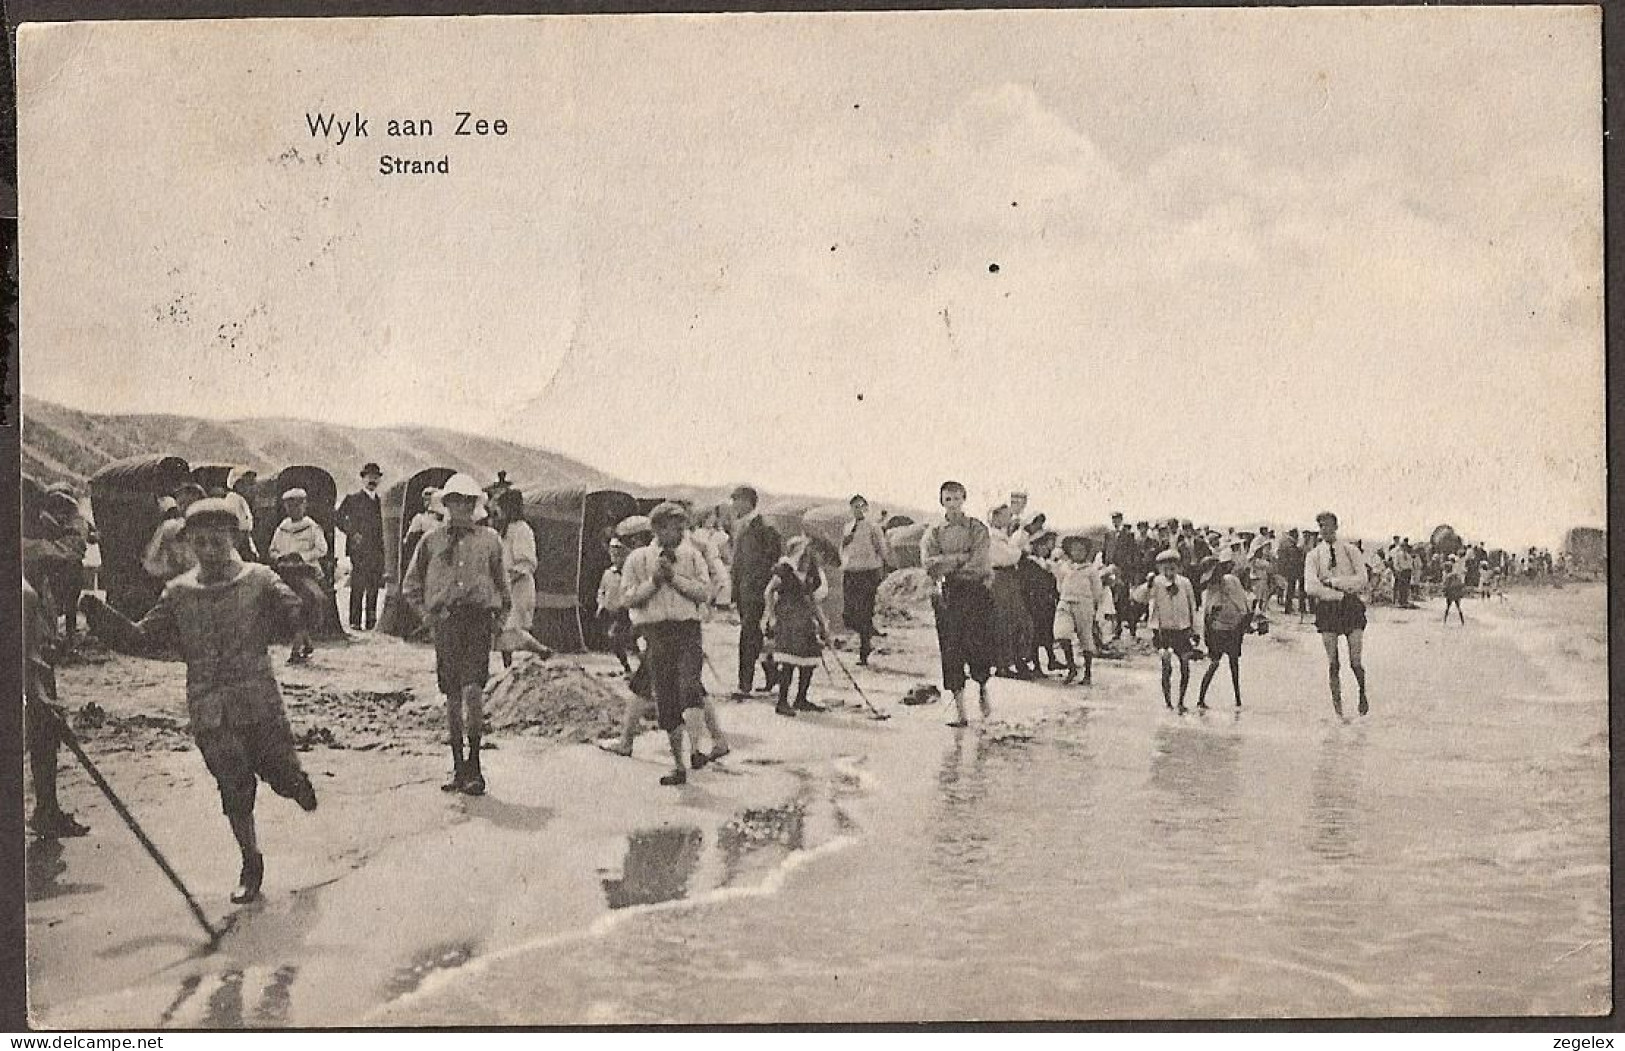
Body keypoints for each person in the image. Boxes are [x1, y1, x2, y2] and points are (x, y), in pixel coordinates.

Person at [82, 498, 318, 904]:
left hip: (258, 701)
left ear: (234, 539)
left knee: (279, 775)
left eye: (218, 542)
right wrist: (104, 620)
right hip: (209, 706)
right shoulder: (177, 593)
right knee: (234, 783)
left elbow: (297, 610)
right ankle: (250, 861)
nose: (209, 551)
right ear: (189, 543)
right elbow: (143, 638)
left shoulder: (260, 579)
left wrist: (304, 607)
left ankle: (294, 782)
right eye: (201, 543)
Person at [402, 473, 511, 796]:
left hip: (478, 621)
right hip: (447, 623)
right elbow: (411, 586)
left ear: (474, 505)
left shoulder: (490, 540)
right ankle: (458, 765)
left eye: (467, 501)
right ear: (446, 504)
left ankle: (475, 766)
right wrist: (429, 616)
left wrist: (499, 620)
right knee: (451, 696)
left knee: (473, 691)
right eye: (454, 501)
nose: (460, 507)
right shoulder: (431, 541)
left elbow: (503, 587)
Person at [619, 502, 725, 785]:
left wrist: (675, 579)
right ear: (657, 529)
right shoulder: (638, 560)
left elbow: (704, 592)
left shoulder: (691, 556)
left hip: (687, 630)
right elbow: (627, 598)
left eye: (683, 528)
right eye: (674, 528)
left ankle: (696, 749)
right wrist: (654, 583)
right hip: (656, 632)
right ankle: (678, 765)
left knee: (690, 687)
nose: (680, 533)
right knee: (665, 697)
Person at [23, 532, 91, 839]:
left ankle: (46, 809)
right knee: (42, 731)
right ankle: (46, 810)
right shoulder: (25, 592)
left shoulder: (38, 588)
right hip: (28, 668)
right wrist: (39, 695)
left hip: (35, 663)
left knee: (45, 736)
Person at [920, 481, 996, 728]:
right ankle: (960, 710)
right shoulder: (934, 532)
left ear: (964, 499)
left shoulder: (977, 527)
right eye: (947, 499)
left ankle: (983, 688)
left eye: (956, 498)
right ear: (941, 502)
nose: (952, 504)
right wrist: (959, 559)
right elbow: (929, 563)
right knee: (951, 649)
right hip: (947, 594)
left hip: (974, 592)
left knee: (978, 645)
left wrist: (950, 562)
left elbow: (980, 560)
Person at [1303, 510, 1371, 718]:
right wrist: (1337, 595)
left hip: (1351, 607)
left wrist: (1335, 582)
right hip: (1328, 608)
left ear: (1336, 526)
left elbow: (1362, 579)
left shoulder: (1350, 551)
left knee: (1355, 661)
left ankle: (1362, 693)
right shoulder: (1314, 555)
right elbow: (1310, 586)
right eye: (1321, 526)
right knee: (1333, 662)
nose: (1324, 529)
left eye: (1328, 525)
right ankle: (1338, 710)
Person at [764, 536, 832, 717]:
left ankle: (801, 698)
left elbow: (813, 600)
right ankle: (782, 701)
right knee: (788, 660)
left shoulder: (812, 573)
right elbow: (769, 592)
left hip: (804, 618)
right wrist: (771, 617)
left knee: (809, 658)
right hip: (787, 617)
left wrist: (822, 623)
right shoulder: (785, 570)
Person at [728, 486, 783, 699]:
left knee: (749, 636)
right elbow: (738, 564)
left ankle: (744, 685)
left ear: (747, 502)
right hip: (745, 591)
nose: (733, 506)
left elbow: (773, 560)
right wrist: (735, 592)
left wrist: (766, 590)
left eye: (736, 501)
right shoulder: (742, 526)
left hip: (758, 593)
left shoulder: (765, 527)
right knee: (756, 638)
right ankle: (772, 675)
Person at [489, 488, 553, 667]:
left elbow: (526, 563)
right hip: (506, 586)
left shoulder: (522, 530)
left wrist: (507, 580)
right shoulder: (505, 531)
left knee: (513, 629)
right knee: (504, 632)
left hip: (519, 587)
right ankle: (507, 667)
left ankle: (542, 651)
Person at [268, 488, 329, 664]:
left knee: (310, 600)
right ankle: (306, 641)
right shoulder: (282, 528)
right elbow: (273, 550)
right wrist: (280, 557)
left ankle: (297, 647)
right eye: (290, 505)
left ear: (304, 505)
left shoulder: (312, 527)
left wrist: (302, 556)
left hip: (306, 572)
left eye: (298, 504)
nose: (294, 508)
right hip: (285, 572)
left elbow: (322, 549)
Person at [1140, 549, 1197, 711]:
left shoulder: (1185, 583)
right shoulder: (1156, 583)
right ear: (1159, 569)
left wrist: (1195, 630)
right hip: (1163, 631)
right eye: (1165, 568)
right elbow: (1139, 598)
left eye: (1172, 568)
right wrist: (1148, 584)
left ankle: (1181, 701)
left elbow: (1192, 606)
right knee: (1166, 666)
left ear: (1178, 568)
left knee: (1185, 665)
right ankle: (1168, 703)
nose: (1169, 572)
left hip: (1182, 630)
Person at [840, 494, 890, 666]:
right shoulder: (847, 527)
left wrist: (883, 570)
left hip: (868, 572)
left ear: (866, 508)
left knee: (865, 611)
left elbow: (881, 549)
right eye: (855, 507)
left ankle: (864, 650)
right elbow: (843, 548)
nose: (858, 510)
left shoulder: (873, 527)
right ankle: (868, 632)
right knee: (849, 614)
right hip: (850, 572)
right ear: (851, 509)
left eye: (861, 506)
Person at [1197, 556, 1254, 709]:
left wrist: (1247, 622)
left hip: (1234, 629)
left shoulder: (1232, 580)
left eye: (1218, 571)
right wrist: (1207, 639)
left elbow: (1244, 602)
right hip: (1218, 631)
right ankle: (1201, 699)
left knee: (1234, 664)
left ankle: (1238, 700)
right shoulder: (1210, 591)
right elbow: (1207, 617)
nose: (1217, 575)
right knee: (1214, 664)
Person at [336, 462, 387, 631]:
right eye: (369, 477)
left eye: (375, 477)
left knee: (373, 586)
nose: (372, 480)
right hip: (359, 550)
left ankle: (371, 622)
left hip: (377, 550)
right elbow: (338, 518)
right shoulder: (352, 499)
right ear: (363, 479)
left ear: (379, 480)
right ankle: (355, 621)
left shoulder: (382, 503)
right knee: (358, 585)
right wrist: (352, 532)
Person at [987, 505, 1035, 679]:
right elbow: (1006, 557)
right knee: (1004, 621)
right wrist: (1018, 552)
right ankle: (1002, 664)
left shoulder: (1002, 536)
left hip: (1008, 578)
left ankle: (1012, 661)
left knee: (1016, 620)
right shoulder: (992, 537)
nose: (1008, 519)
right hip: (1000, 578)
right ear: (995, 517)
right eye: (1005, 516)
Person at [1053, 535, 1104, 685]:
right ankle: (1071, 667)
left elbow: (1097, 591)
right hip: (1065, 602)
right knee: (1061, 633)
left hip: (1084, 605)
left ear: (1086, 552)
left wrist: (1090, 604)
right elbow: (1059, 585)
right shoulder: (1064, 567)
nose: (1078, 552)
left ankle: (1087, 673)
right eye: (1075, 549)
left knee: (1085, 638)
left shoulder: (1091, 570)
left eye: (1081, 550)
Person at [1019, 530, 1062, 674]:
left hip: (1047, 602)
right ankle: (1037, 665)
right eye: (1042, 546)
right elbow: (1027, 584)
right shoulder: (1029, 563)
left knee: (1048, 632)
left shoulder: (1045, 563)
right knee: (1036, 634)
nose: (1045, 549)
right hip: (1035, 602)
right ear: (1036, 546)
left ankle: (1051, 659)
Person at [143, 483, 206, 582]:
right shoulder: (170, 527)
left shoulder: (209, 529)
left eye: (191, 502)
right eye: (181, 503)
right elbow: (152, 561)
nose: (185, 507)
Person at [402, 486, 444, 569]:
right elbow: (409, 540)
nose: (427, 502)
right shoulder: (419, 519)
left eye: (429, 499)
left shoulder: (446, 520)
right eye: (425, 499)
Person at [223, 469, 260, 562]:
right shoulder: (233, 500)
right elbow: (240, 531)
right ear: (238, 485)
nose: (254, 488)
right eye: (250, 484)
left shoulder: (242, 501)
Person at [1277, 528, 1305, 613]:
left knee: (1291, 589)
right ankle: (1297, 607)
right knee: (1296, 589)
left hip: (1293, 570)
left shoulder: (1288, 544)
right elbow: (1294, 559)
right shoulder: (1292, 546)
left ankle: (1289, 607)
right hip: (1296, 570)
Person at [1442, 555, 1467, 625]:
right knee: (1458, 607)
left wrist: (1444, 591)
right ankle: (1462, 621)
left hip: (1450, 591)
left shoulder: (1448, 575)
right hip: (1456, 591)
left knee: (1448, 607)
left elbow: (1446, 584)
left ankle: (1444, 621)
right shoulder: (1457, 572)